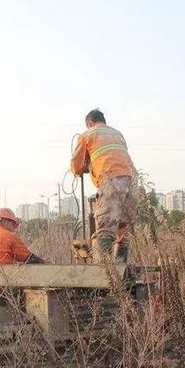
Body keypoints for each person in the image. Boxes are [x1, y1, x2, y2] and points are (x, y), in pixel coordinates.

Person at [70, 109, 137, 263]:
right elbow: (111, 156)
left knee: (105, 230)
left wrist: (82, 168)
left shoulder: (87, 135)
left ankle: (103, 274)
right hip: (132, 182)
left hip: (111, 180)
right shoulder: (117, 134)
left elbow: (76, 166)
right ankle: (121, 270)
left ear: (89, 123)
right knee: (123, 231)